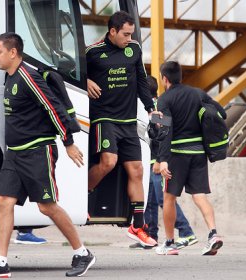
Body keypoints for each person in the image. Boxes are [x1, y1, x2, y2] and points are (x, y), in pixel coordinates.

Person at [0, 32, 95, 278]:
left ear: (13, 52)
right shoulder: (10, 76)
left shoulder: (29, 77)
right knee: (4, 202)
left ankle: (82, 253)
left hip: (37, 151)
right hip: (14, 154)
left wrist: (68, 142)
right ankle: (1, 262)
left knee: (47, 207)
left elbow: (53, 108)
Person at [85, 11, 157, 247]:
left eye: (131, 34)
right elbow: (68, 72)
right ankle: (82, 197)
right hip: (104, 118)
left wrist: (150, 108)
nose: (129, 38)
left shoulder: (134, 49)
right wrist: (84, 81)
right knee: (109, 161)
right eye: (125, 34)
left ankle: (137, 226)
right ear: (112, 31)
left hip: (128, 121)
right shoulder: (92, 52)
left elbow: (141, 81)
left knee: (137, 170)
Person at [155, 61, 223, 256]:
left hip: (176, 155)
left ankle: (169, 243)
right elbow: (221, 112)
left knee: (169, 197)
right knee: (199, 195)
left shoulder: (163, 99)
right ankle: (213, 234)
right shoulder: (198, 93)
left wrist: (163, 159)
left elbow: (165, 132)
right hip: (199, 153)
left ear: (164, 78)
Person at [130, 76, 197, 250]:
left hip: (158, 161)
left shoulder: (157, 108)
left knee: (163, 199)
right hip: (150, 160)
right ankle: (151, 237)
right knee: (150, 201)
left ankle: (186, 231)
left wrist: (160, 160)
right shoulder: (147, 107)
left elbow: (164, 135)